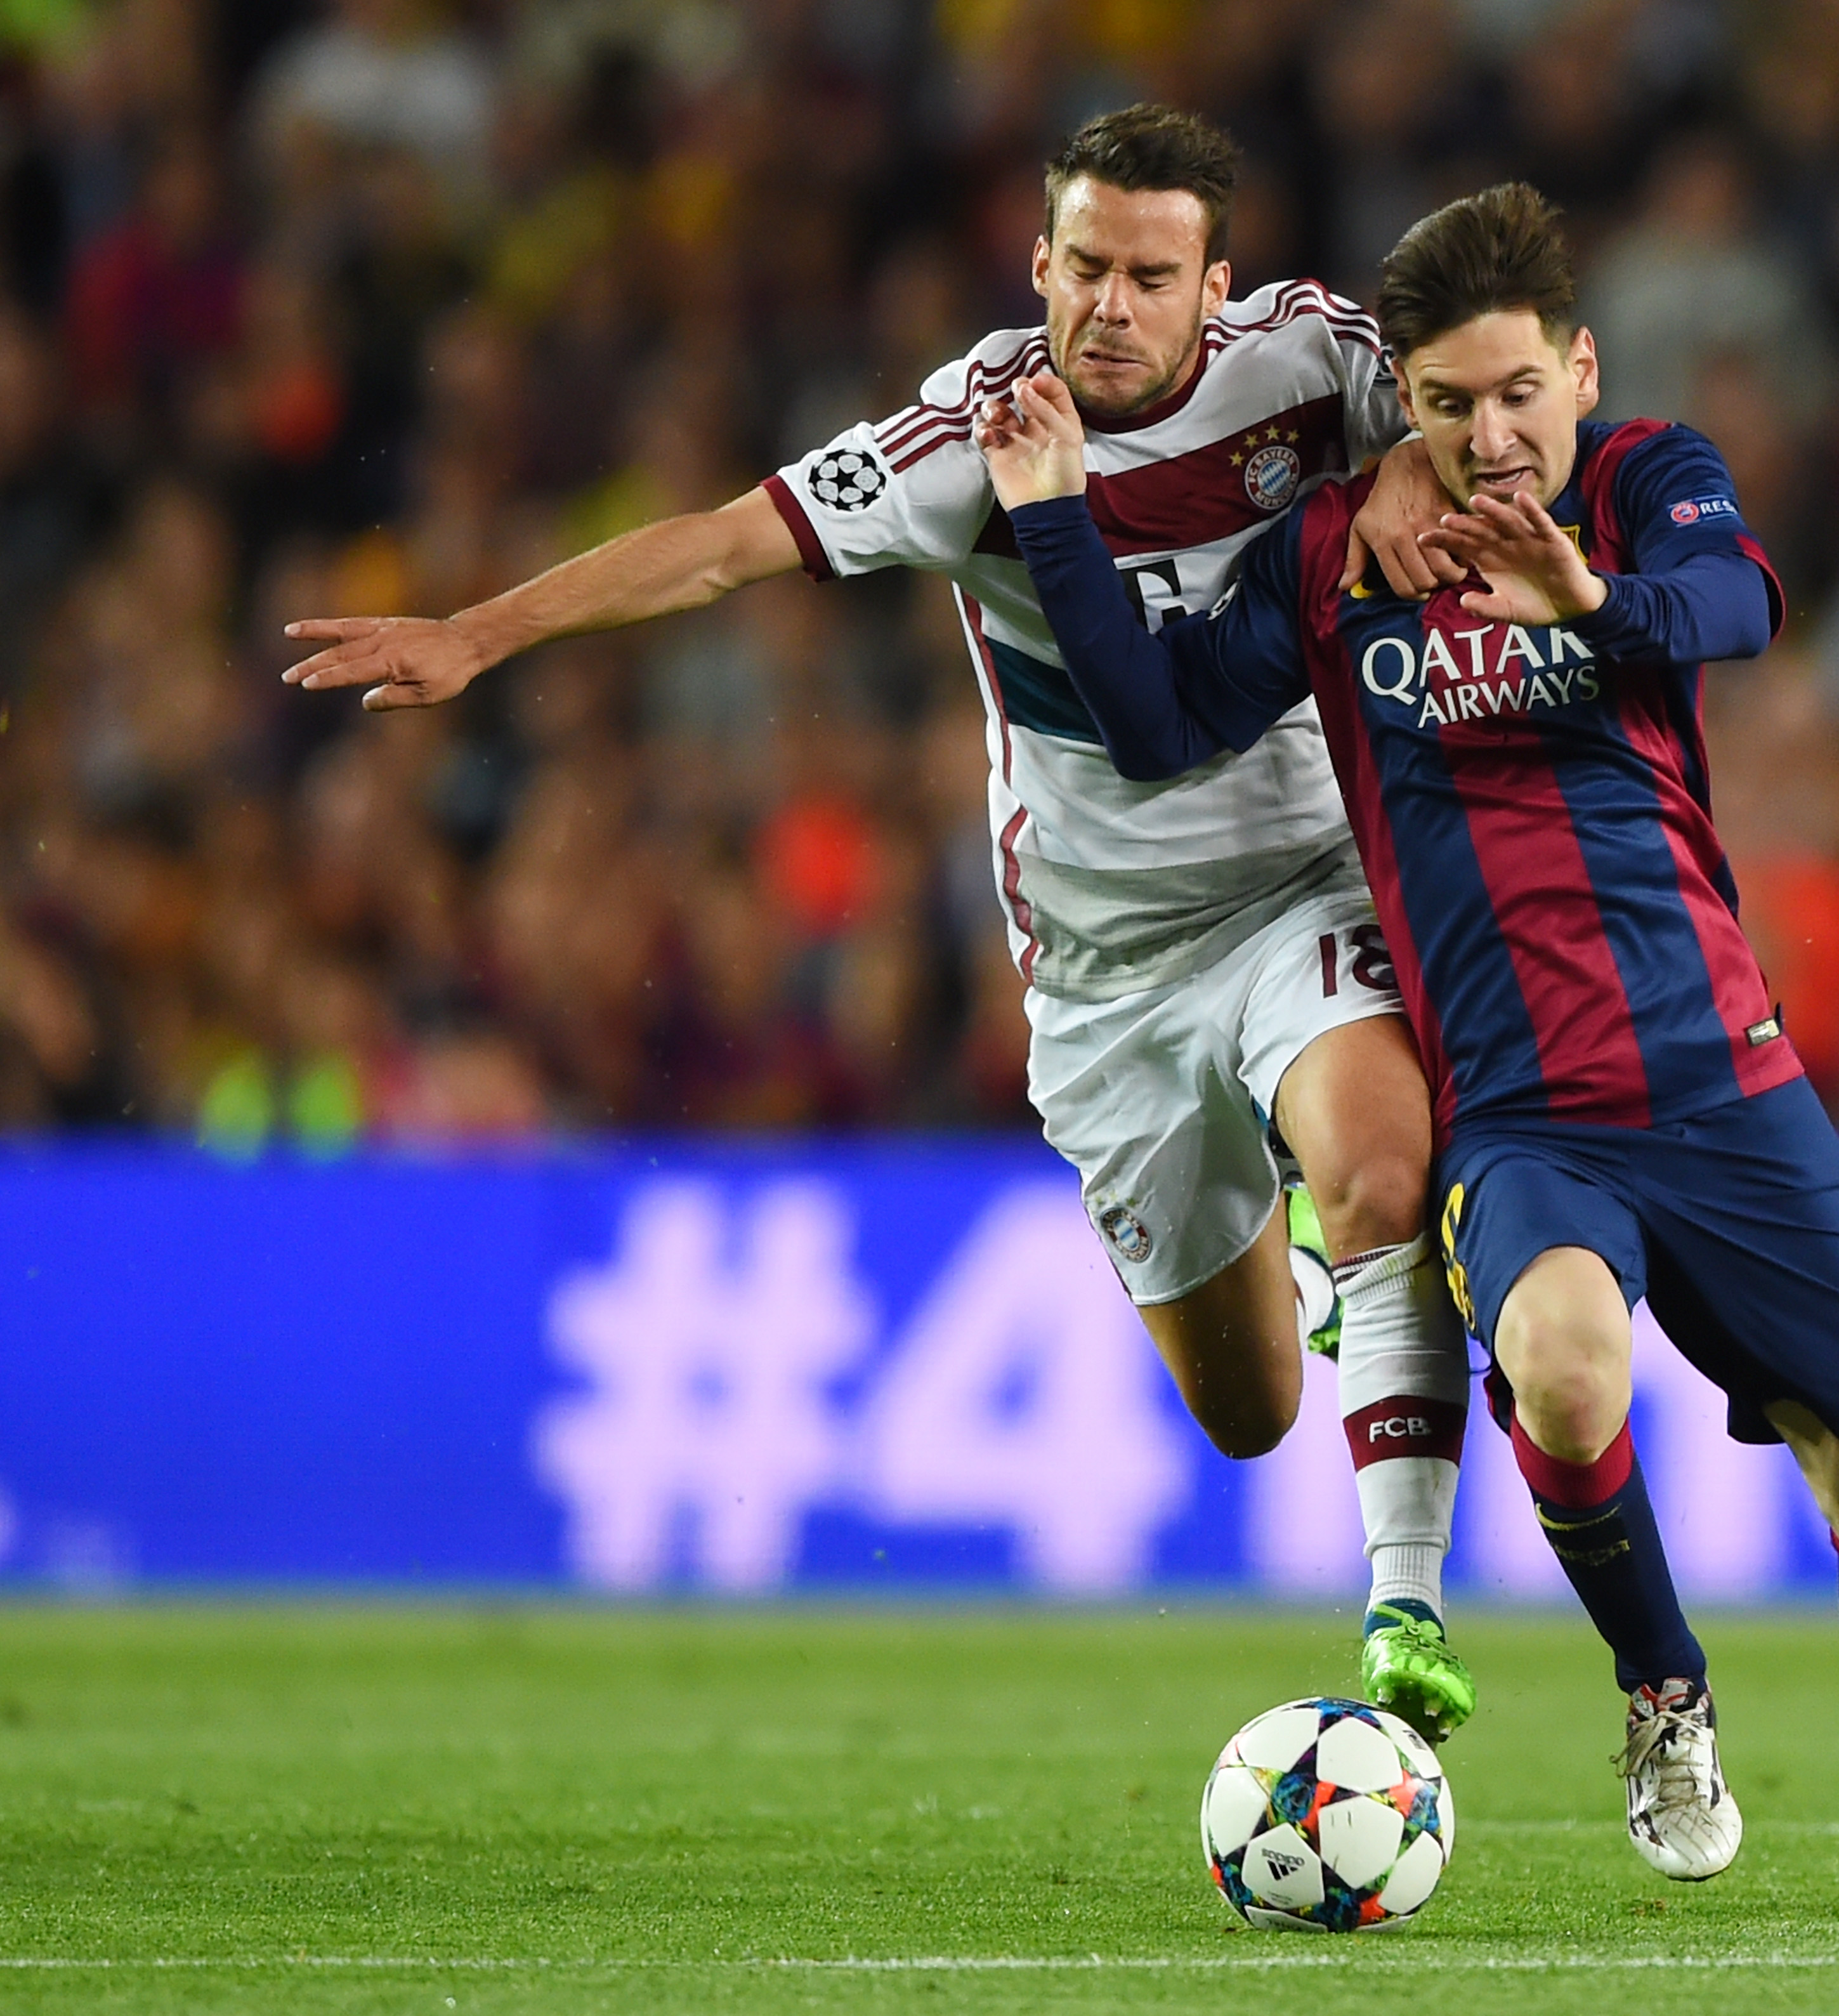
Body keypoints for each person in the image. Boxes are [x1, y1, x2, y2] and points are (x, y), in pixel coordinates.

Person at [278, 105, 1478, 1739]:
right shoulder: (974, 437)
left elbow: (1485, 397)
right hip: (1110, 973)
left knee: (1383, 1164)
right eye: (1085, 267)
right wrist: (482, 636)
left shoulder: (1313, 362)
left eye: (1151, 277)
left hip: (1301, 888)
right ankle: (1317, 1276)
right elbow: (722, 550)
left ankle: (1406, 1613)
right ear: (1039, 262)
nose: (1110, 306)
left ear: (1218, 288)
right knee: (1252, 1413)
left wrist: (1412, 451)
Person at [977, 181, 1839, 1902]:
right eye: (1449, 403)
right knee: (1563, 1367)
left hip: (1728, 1082)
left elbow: (1738, 602)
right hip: (1521, 1113)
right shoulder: (1341, 552)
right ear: (1402, 395)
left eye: (1521, 392)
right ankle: (1664, 1692)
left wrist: (1587, 598)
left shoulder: (1643, 481)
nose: (1492, 436)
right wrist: (1057, 519)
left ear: (1581, 369)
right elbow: (1159, 725)